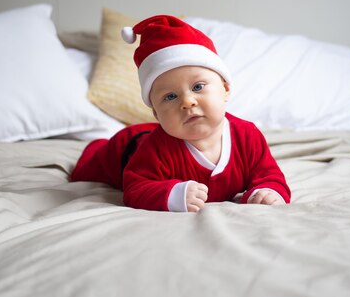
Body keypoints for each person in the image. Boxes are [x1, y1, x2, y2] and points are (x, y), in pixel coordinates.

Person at [71, 15, 290, 212]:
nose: (187, 101)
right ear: (156, 113)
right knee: (83, 171)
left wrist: (266, 192)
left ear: (225, 89)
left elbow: (270, 175)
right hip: (127, 148)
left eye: (198, 87)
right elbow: (135, 188)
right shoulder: (155, 149)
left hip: (154, 134)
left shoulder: (247, 136)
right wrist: (173, 193)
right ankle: (96, 144)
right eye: (170, 97)